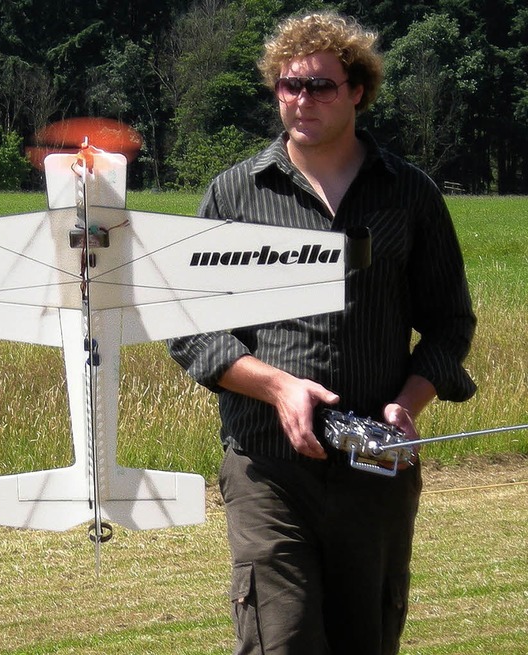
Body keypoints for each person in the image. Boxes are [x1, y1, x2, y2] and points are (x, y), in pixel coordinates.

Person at [168, 10, 476, 655]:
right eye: (288, 86)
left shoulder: (410, 194)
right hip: (267, 467)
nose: (301, 100)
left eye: (320, 86)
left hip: (375, 463)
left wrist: (407, 403)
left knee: (367, 639)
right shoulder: (235, 194)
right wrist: (280, 389)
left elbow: (450, 323)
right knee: (280, 641)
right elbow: (189, 324)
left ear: (357, 89)